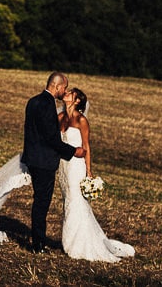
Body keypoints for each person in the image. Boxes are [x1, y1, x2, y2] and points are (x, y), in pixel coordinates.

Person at [57, 87, 135, 261]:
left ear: (77, 101)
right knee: (67, 200)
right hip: (63, 166)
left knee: (75, 201)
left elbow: (87, 146)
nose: (66, 94)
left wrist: (89, 171)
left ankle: (77, 243)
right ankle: (71, 239)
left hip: (76, 167)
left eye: (70, 93)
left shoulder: (81, 121)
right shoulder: (61, 117)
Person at [21, 72, 87, 253]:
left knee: (39, 201)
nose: (65, 91)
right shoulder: (48, 105)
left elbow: (30, 132)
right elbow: (51, 139)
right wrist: (74, 151)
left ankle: (37, 241)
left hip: (33, 158)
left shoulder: (33, 101)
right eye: (64, 87)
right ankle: (38, 245)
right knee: (42, 203)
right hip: (44, 162)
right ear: (57, 86)